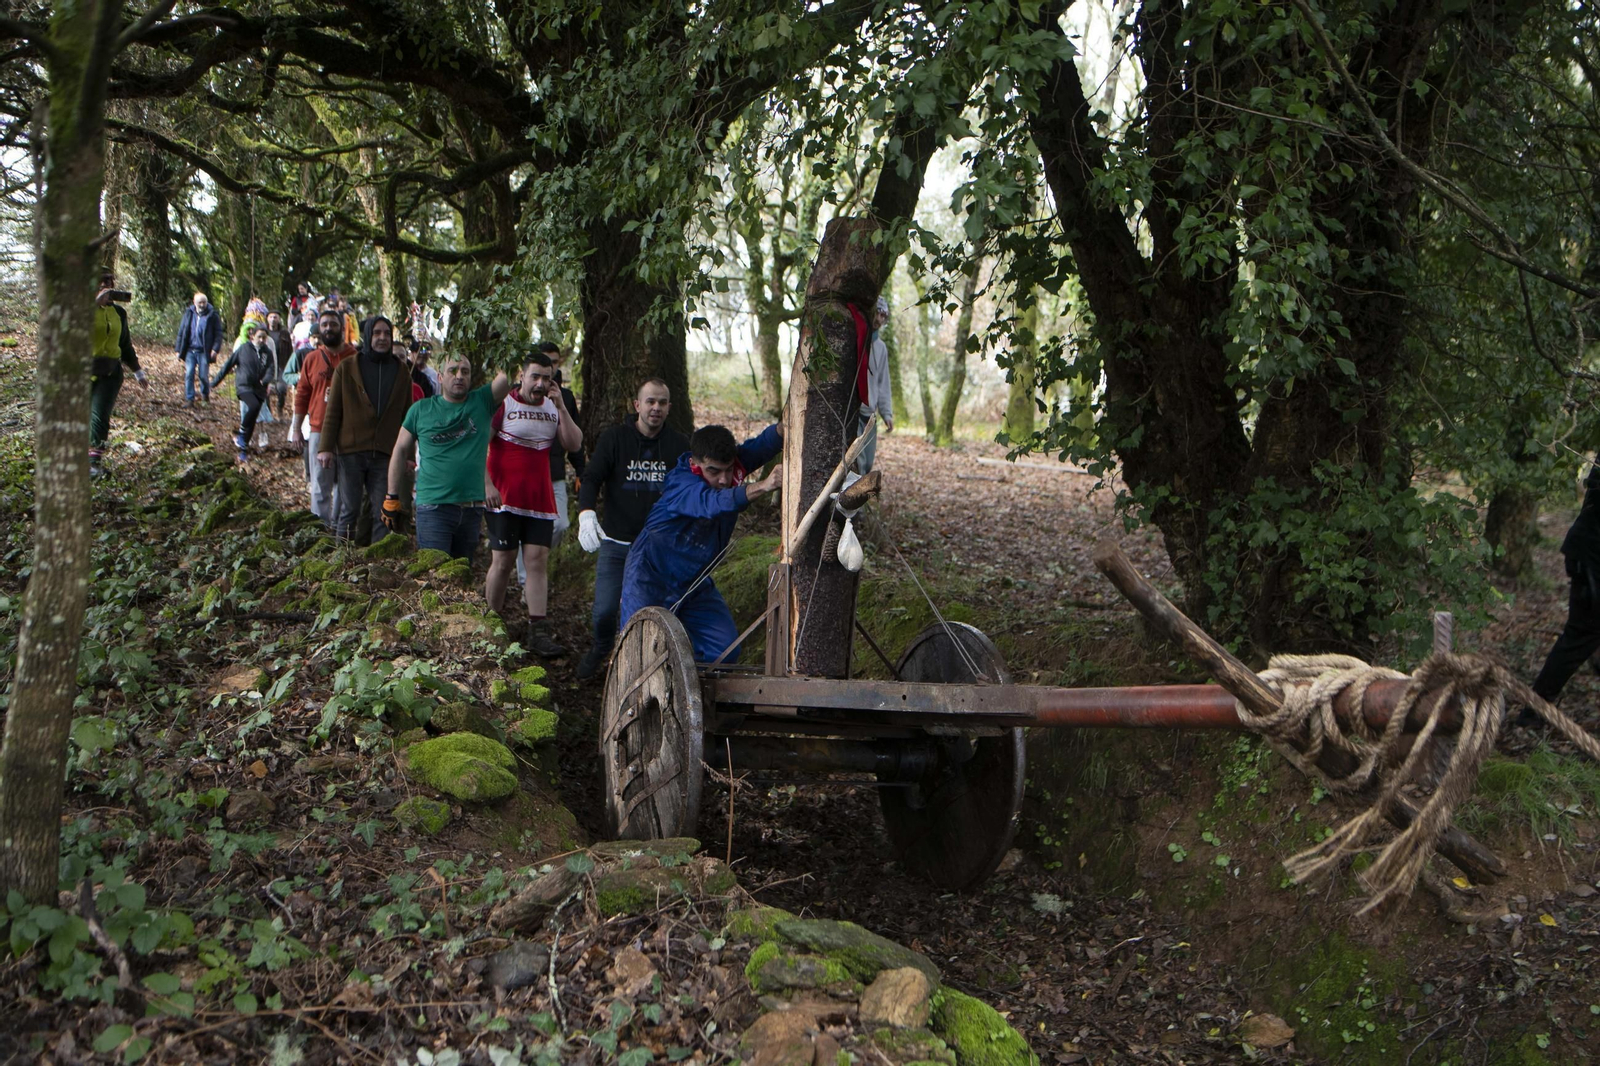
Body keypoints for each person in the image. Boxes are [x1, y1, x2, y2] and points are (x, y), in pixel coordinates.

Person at [619, 423, 784, 663]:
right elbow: (712, 503)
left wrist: (783, 428)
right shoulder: (681, 484)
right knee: (638, 653)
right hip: (650, 577)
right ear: (696, 465)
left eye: (728, 470)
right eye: (714, 471)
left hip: (694, 583)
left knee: (725, 650)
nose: (724, 479)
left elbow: (760, 446)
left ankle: (693, 694)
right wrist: (763, 486)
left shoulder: (731, 469)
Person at [574, 378, 690, 679]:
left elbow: (693, 488)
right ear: (637, 405)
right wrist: (586, 513)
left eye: (662, 403)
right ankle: (601, 647)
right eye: (650, 401)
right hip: (617, 542)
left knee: (654, 614)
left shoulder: (678, 445)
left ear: (669, 408)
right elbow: (591, 478)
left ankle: (645, 670)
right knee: (604, 612)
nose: (656, 408)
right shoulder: (615, 438)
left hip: (658, 548)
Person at [484, 353, 584, 657]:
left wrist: (562, 407)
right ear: (521, 375)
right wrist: (486, 484)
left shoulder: (554, 408)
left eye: (546, 377)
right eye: (535, 376)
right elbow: (479, 446)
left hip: (539, 497)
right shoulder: (506, 404)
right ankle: (490, 623)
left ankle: (537, 630)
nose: (540, 383)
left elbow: (574, 444)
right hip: (504, 495)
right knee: (502, 560)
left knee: (537, 561)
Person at [383, 352, 511, 561]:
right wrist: (392, 496)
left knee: (461, 576)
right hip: (434, 507)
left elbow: (511, 371)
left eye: (465, 372)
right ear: (440, 377)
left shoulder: (482, 401)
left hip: (471, 509)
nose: (459, 376)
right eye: (453, 371)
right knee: (434, 575)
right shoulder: (421, 410)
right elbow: (399, 449)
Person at [317, 315, 413, 543]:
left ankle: (378, 560)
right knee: (349, 509)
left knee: (383, 511)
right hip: (351, 451)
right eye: (377, 333)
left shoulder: (401, 372)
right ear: (368, 335)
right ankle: (341, 557)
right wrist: (326, 448)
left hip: (385, 454)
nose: (382, 338)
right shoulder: (348, 367)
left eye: (387, 334)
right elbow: (334, 410)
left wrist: (409, 455)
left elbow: (408, 417)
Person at [1528, 465, 1600, 716]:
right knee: (1582, 634)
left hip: (1589, 553)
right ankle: (1532, 714)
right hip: (1592, 557)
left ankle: (1533, 712)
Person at [293, 309, 358, 525]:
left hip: (349, 430)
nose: (328, 328)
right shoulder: (311, 359)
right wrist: (296, 429)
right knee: (320, 484)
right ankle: (320, 529)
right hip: (318, 429)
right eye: (324, 325)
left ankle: (340, 530)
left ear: (342, 327)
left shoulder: (355, 358)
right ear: (319, 329)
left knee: (345, 484)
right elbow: (302, 394)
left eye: (333, 324)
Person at [89, 269, 148, 478]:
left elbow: (125, 344)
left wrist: (138, 370)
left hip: (110, 372)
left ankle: (93, 463)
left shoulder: (119, 313)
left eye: (110, 282)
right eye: (102, 282)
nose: (107, 285)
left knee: (99, 415)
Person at [535, 341, 585, 546]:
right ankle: (524, 577)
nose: (551, 367)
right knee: (526, 526)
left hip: (555, 472)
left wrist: (581, 470)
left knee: (561, 523)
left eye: (554, 362)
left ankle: (542, 559)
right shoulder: (519, 394)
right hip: (526, 472)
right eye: (546, 361)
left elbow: (574, 439)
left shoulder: (566, 397)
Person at [210, 325, 275, 463]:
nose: (262, 340)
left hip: (259, 389)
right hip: (244, 386)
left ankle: (243, 451)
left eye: (264, 337)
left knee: (254, 416)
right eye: (259, 337)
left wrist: (266, 380)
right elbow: (228, 365)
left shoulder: (267, 353)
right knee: (252, 406)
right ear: (252, 336)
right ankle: (241, 433)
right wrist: (214, 383)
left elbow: (271, 369)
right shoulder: (243, 349)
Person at [857, 295, 894, 473]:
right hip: (854, 413)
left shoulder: (881, 348)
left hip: (870, 414)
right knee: (856, 460)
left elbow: (883, 383)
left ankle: (862, 497)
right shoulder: (856, 339)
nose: (879, 319)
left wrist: (887, 413)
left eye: (883, 316)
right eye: (877, 314)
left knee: (868, 462)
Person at [173, 291, 222, 408]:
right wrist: (178, 349)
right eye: (200, 302)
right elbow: (182, 331)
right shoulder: (189, 313)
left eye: (204, 302)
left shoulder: (212, 315)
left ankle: (205, 395)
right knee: (189, 373)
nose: (202, 305)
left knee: (203, 375)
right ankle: (190, 399)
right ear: (194, 303)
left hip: (204, 350)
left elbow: (218, 334)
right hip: (190, 350)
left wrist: (215, 349)